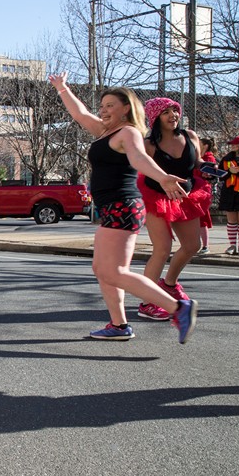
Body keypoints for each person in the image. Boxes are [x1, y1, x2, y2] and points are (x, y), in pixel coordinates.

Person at [49, 72, 197, 344]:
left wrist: (162, 177)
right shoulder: (106, 131)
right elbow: (80, 114)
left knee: (113, 271)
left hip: (123, 206)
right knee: (100, 268)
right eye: (102, 106)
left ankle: (177, 307)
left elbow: (139, 158)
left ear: (126, 108)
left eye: (110, 106)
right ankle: (118, 325)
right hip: (113, 208)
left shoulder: (128, 133)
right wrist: (62, 88)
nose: (103, 110)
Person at [134, 98, 211, 322]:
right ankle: (147, 302)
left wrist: (206, 168)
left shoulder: (191, 136)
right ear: (155, 117)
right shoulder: (148, 144)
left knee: (192, 245)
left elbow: (195, 162)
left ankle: (168, 284)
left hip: (185, 196)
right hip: (156, 197)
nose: (173, 116)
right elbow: (141, 167)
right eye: (166, 112)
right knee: (162, 248)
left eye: (175, 111)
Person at [198, 137, 217, 254]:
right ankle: (195, 244)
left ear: (205, 146)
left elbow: (211, 175)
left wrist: (208, 175)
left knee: (202, 218)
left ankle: (205, 245)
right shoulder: (197, 157)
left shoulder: (208, 158)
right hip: (194, 189)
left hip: (202, 191)